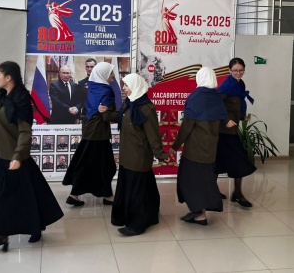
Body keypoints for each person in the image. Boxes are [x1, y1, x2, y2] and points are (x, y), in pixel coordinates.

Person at [0, 61, 63, 251]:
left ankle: (8, 234)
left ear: (8, 78)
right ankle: (5, 232)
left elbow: (25, 131)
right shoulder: (1, 95)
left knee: (25, 197)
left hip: (16, 158)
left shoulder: (22, 100)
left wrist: (17, 156)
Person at [101, 73, 168, 236]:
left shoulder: (147, 108)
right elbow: (121, 116)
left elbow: (153, 134)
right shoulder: (129, 103)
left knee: (137, 191)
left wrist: (160, 154)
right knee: (142, 187)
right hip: (127, 155)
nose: (124, 88)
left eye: (126, 85)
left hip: (139, 156)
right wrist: (106, 113)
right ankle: (146, 215)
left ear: (135, 86)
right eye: (123, 85)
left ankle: (138, 224)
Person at [171, 67, 226, 225]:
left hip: (194, 150)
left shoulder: (196, 97)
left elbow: (187, 126)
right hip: (210, 149)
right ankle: (200, 213)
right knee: (204, 181)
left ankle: (199, 213)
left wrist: (175, 146)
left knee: (189, 180)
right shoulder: (217, 97)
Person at [62, 62, 117, 206]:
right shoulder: (107, 91)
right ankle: (102, 195)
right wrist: (124, 115)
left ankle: (103, 194)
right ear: (103, 74)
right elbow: (107, 115)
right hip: (99, 133)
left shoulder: (92, 87)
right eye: (111, 72)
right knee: (101, 165)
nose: (113, 75)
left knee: (96, 164)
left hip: (89, 129)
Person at [216, 57, 257, 207]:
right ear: (229, 70)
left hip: (231, 130)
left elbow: (236, 104)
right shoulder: (227, 86)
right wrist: (226, 119)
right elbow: (217, 104)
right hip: (224, 131)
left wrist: (242, 116)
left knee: (219, 160)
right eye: (235, 71)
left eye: (241, 70)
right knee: (239, 159)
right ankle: (237, 193)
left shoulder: (239, 84)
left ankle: (218, 192)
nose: (238, 73)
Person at [77, 58, 97, 122]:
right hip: (86, 115)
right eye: (87, 67)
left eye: (92, 67)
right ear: (85, 68)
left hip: (99, 115)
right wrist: (77, 116)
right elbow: (80, 101)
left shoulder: (102, 82)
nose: (89, 69)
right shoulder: (81, 83)